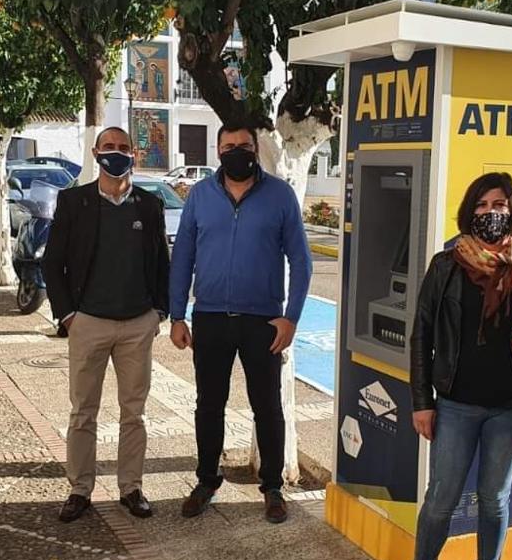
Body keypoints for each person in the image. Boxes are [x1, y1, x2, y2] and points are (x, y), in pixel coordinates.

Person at [398, 174, 512, 560]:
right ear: (470, 212)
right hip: (455, 403)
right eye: (481, 206)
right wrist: (422, 403)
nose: (490, 214)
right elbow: (421, 334)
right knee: (440, 500)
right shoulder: (446, 265)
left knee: (493, 500)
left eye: (499, 204)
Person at [169, 124, 312, 523]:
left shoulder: (280, 195)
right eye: (228, 146)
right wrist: (177, 315)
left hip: (263, 321)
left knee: (267, 406)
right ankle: (207, 480)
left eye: (244, 146)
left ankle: (272, 487)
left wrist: (291, 318)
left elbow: (301, 261)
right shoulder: (200, 196)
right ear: (218, 151)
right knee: (208, 406)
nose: (237, 152)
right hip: (210, 318)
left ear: (256, 149)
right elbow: (182, 258)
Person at [41, 127, 170, 523]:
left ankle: (131, 487)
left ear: (134, 154)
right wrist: (68, 316)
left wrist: (158, 313)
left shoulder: (149, 206)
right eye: (109, 147)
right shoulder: (73, 201)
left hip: (136, 326)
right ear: (96, 153)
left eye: (123, 148)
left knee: (135, 413)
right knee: (83, 412)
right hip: (89, 324)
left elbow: (162, 264)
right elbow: (52, 262)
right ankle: (80, 489)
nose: (116, 153)